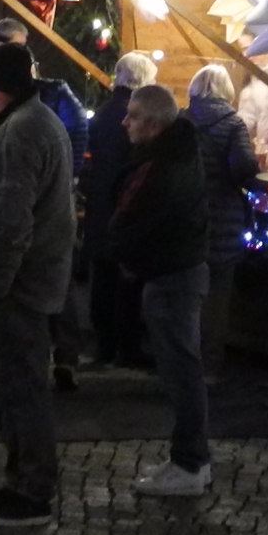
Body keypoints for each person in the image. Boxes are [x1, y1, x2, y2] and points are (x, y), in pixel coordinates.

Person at [0, 43, 76, 528]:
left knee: (20, 384)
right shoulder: (37, 120)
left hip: (18, 285)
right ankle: (20, 478)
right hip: (33, 276)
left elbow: (10, 224)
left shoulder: (19, 134)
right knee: (15, 383)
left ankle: (32, 489)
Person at [110, 80, 215, 497]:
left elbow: (136, 221)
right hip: (175, 273)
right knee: (181, 371)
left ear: (154, 125)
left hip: (172, 277)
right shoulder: (176, 154)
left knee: (181, 374)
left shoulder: (163, 167)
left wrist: (125, 253)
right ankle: (191, 458)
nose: (125, 122)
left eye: (133, 116)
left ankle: (189, 464)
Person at [82, 52, 160, 373]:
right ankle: (127, 347)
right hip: (124, 208)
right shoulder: (136, 115)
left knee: (102, 281)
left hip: (100, 207)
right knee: (126, 284)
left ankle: (104, 346)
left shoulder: (102, 112)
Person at [187, 61, 259, 374]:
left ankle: (185, 364)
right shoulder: (233, 124)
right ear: (226, 90)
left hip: (187, 217)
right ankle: (210, 365)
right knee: (217, 295)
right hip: (223, 218)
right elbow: (245, 168)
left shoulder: (181, 121)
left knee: (188, 295)